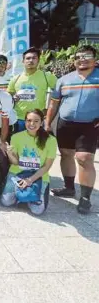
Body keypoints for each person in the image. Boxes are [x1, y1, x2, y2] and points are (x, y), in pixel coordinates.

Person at [46, 45, 99, 214]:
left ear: (95, 59)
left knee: (84, 158)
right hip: (66, 123)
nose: (82, 59)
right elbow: (53, 103)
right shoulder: (64, 79)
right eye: (78, 56)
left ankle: (85, 198)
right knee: (66, 154)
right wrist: (47, 123)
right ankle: (69, 187)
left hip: (90, 124)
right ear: (73, 60)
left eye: (87, 55)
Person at [1, 110, 57, 215]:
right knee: (6, 202)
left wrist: (29, 180)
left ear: (41, 122)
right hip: (17, 173)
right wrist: (9, 153)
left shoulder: (51, 140)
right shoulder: (16, 137)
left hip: (38, 175)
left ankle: (31, 196)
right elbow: (16, 162)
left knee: (37, 211)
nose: (32, 124)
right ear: (25, 121)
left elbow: (47, 166)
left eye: (36, 121)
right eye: (29, 120)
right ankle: (23, 197)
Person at [8, 47, 57, 132]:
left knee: (38, 144)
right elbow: (8, 96)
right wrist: (12, 99)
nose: (31, 60)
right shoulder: (15, 78)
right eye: (28, 58)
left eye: (34, 58)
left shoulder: (47, 76)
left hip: (37, 119)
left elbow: (59, 91)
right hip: (19, 119)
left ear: (38, 61)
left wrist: (49, 110)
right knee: (19, 144)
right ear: (23, 61)